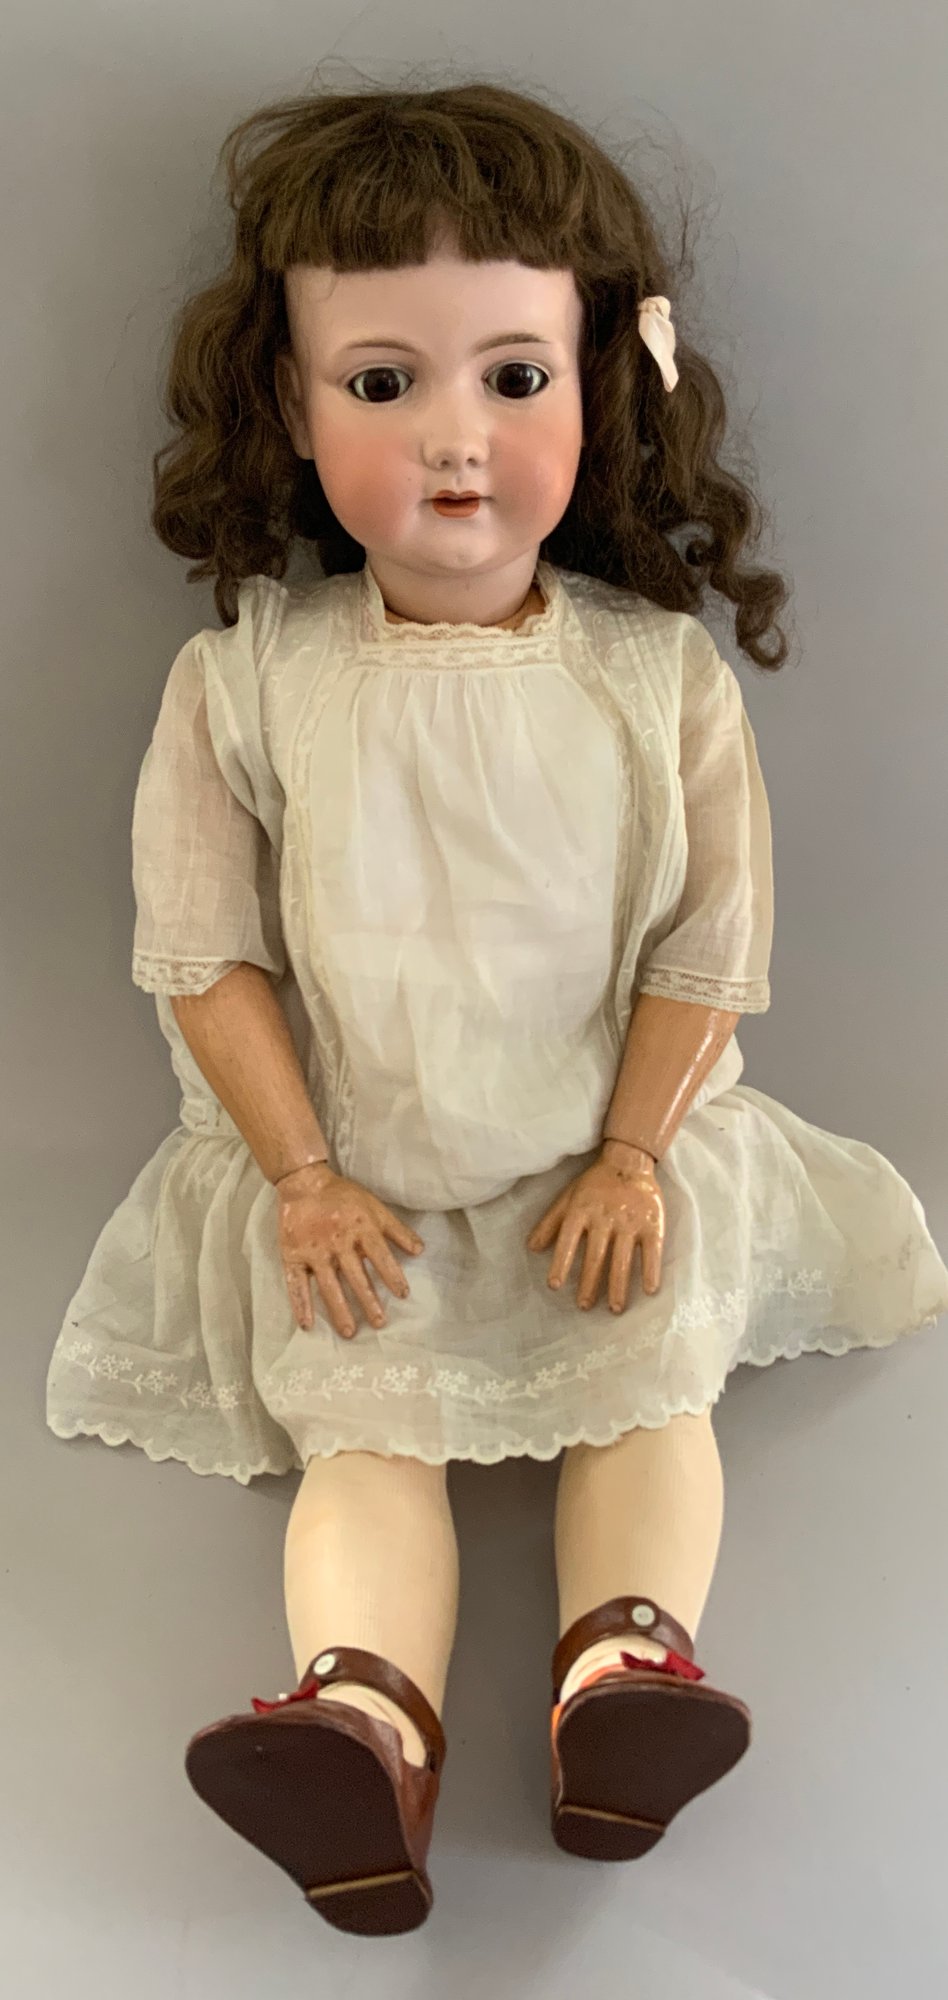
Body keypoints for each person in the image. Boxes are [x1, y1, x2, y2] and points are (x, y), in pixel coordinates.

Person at [46, 79, 948, 1936]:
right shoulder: (247, 685)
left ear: (601, 386)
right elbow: (202, 953)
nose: (455, 439)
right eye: (383, 382)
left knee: (647, 1384)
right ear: (290, 407)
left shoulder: (655, 678)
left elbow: (709, 947)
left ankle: (628, 1671)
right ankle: (362, 1720)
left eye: (514, 376)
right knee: (363, 1427)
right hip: (352, 1182)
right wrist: (303, 1177)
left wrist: (635, 1152)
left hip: (603, 1160)